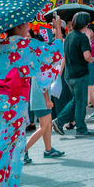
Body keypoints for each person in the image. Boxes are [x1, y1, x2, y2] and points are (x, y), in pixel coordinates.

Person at [0, 16, 64, 187]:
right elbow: (55, 55)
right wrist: (57, 29)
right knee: (7, 150)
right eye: (26, 22)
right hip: (12, 106)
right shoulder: (25, 45)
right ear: (19, 25)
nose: (28, 25)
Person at [24, 15, 66, 163]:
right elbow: (42, 82)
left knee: (46, 125)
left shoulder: (31, 56)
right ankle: (23, 151)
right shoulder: (37, 58)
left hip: (38, 94)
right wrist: (47, 100)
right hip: (40, 95)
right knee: (44, 126)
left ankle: (48, 149)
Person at [53, 12, 94, 137]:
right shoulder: (82, 38)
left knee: (76, 100)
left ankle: (59, 121)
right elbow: (87, 56)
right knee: (81, 103)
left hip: (69, 74)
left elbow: (65, 55)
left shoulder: (69, 36)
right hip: (80, 75)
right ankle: (81, 129)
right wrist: (92, 60)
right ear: (85, 23)